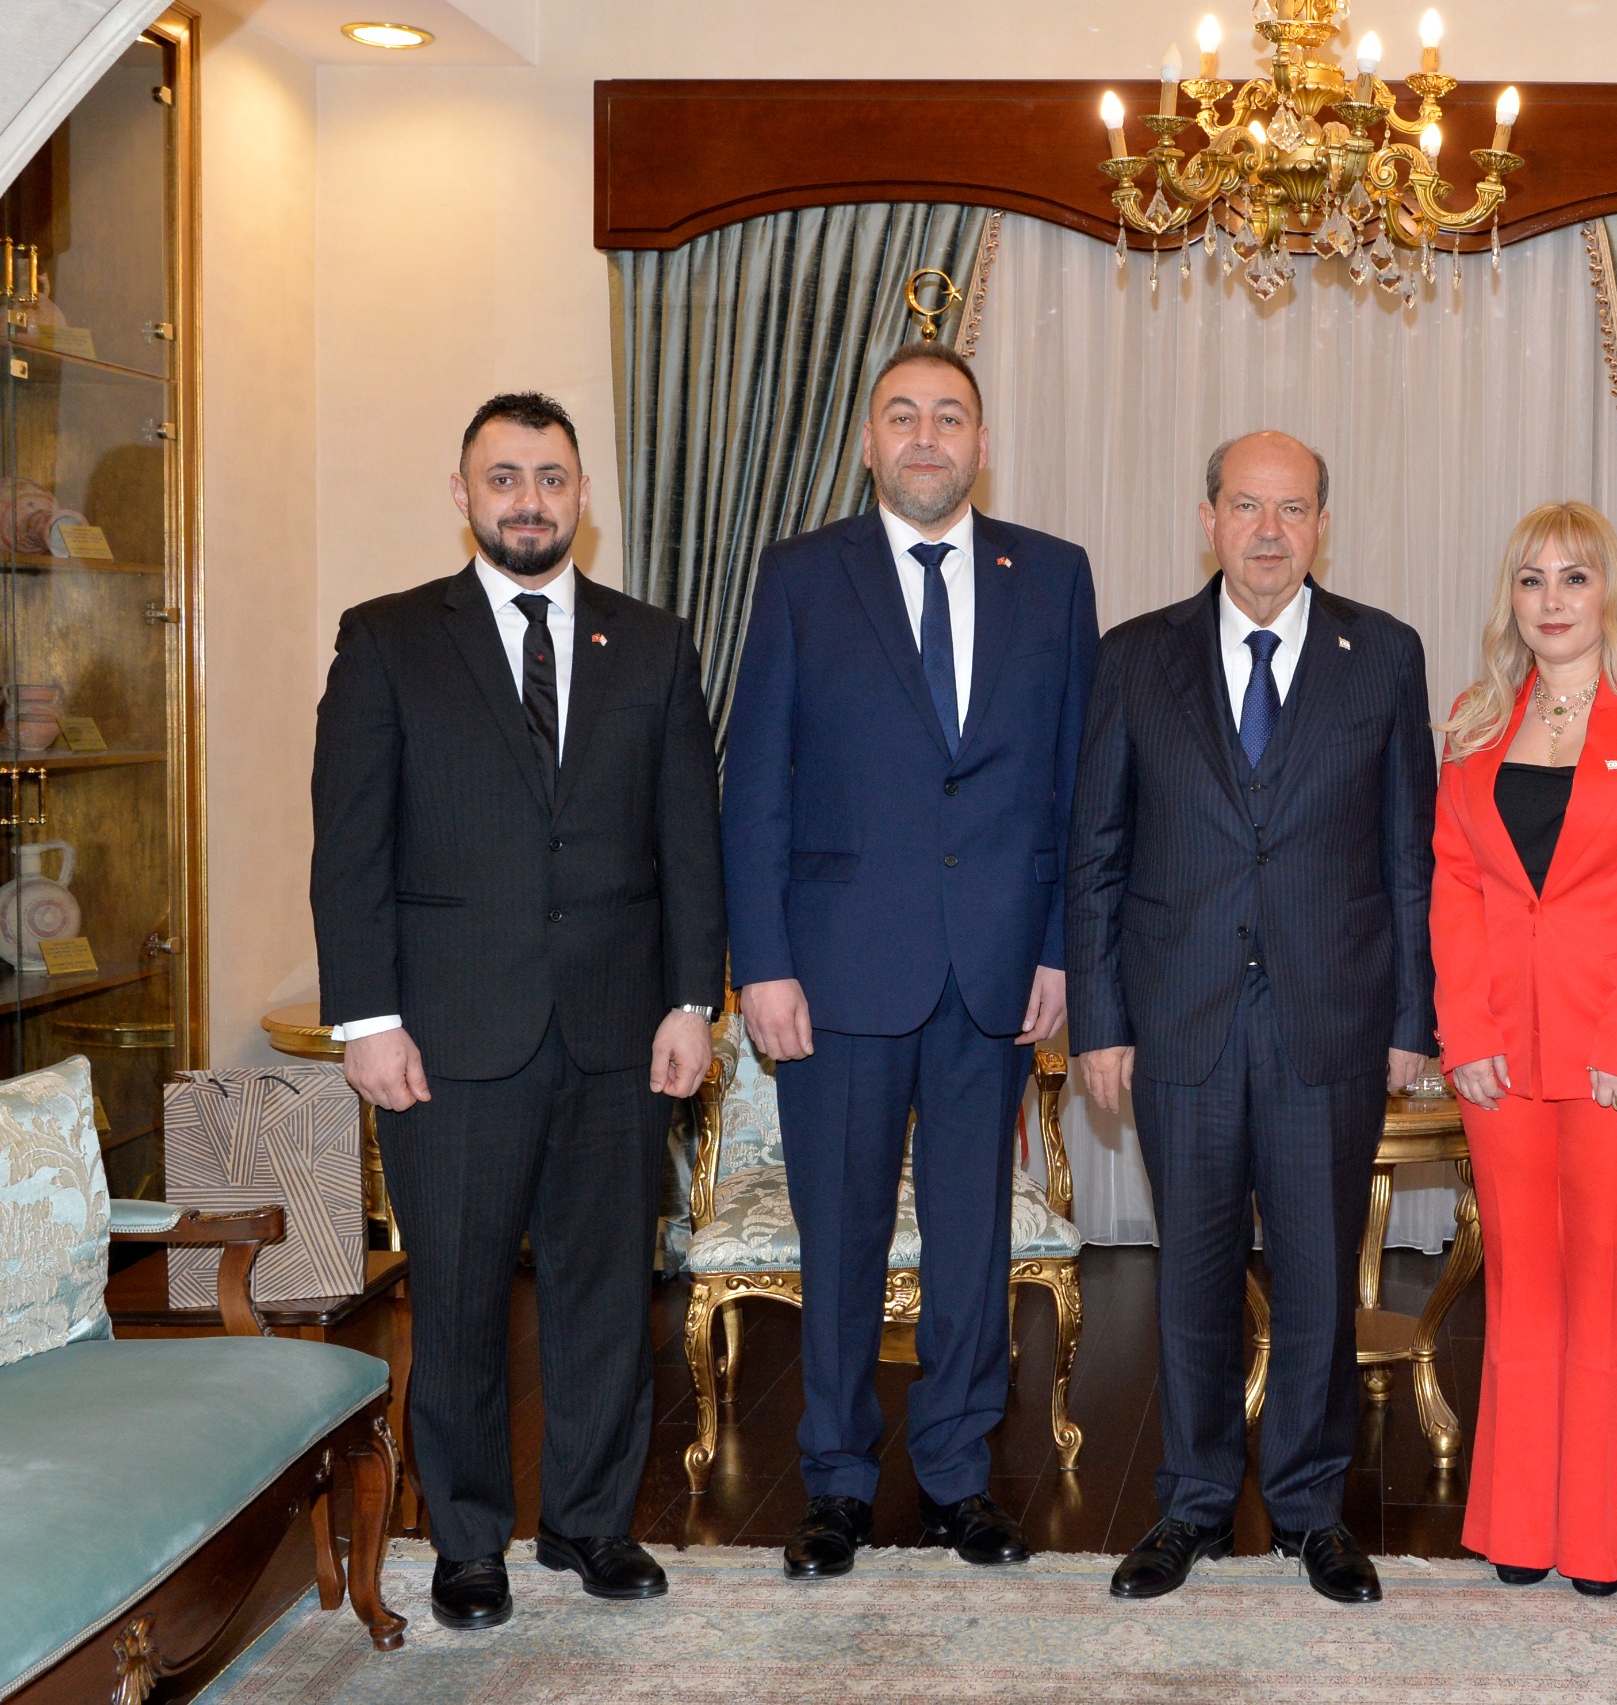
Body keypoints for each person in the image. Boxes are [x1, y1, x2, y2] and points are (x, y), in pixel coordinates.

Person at [311, 392, 725, 1631]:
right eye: (504, 478)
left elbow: (689, 841)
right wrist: (365, 1019)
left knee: (607, 1297)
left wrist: (690, 999)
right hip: (445, 1040)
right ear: (463, 494)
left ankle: (594, 1522)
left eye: (550, 478)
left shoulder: (652, 644)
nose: (529, 500)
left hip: (616, 1035)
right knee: (457, 1298)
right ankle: (469, 1541)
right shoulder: (387, 639)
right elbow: (350, 849)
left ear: (581, 495)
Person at [721, 341, 1098, 1577]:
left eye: (948, 416)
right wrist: (761, 962)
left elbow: (1075, 785)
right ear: (867, 440)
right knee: (837, 1235)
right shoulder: (798, 575)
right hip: (835, 970)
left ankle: (955, 1474)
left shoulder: (1052, 575)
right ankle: (834, 1479)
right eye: (902, 415)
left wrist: (1060, 948)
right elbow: (754, 783)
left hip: (997, 968)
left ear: (981, 442)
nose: (926, 437)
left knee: (970, 1239)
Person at [1066, 431, 1434, 1605]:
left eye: (1291, 509)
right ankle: (1190, 1501)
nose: (1268, 531)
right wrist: (1099, 1021)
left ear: (1322, 522)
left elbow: (1408, 851)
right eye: (1245, 506)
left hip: (1332, 1019)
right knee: (1192, 1273)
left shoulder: (1383, 652)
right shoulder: (1135, 655)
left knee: (1320, 1274)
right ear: (1208, 517)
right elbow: (1095, 853)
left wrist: (1412, 1016)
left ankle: (1313, 1507)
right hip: (1180, 1019)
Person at [1430, 502, 1617, 1596]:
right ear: (1510, 597)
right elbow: (1455, 886)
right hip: (1499, 1050)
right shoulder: (1472, 722)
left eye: (1574, 577)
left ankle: (1600, 1536)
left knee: (1602, 1282)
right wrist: (1465, 1032)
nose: (1551, 600)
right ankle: (1517, 1523)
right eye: (1531, 579)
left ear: (1610, 593)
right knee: (1520, 1282)